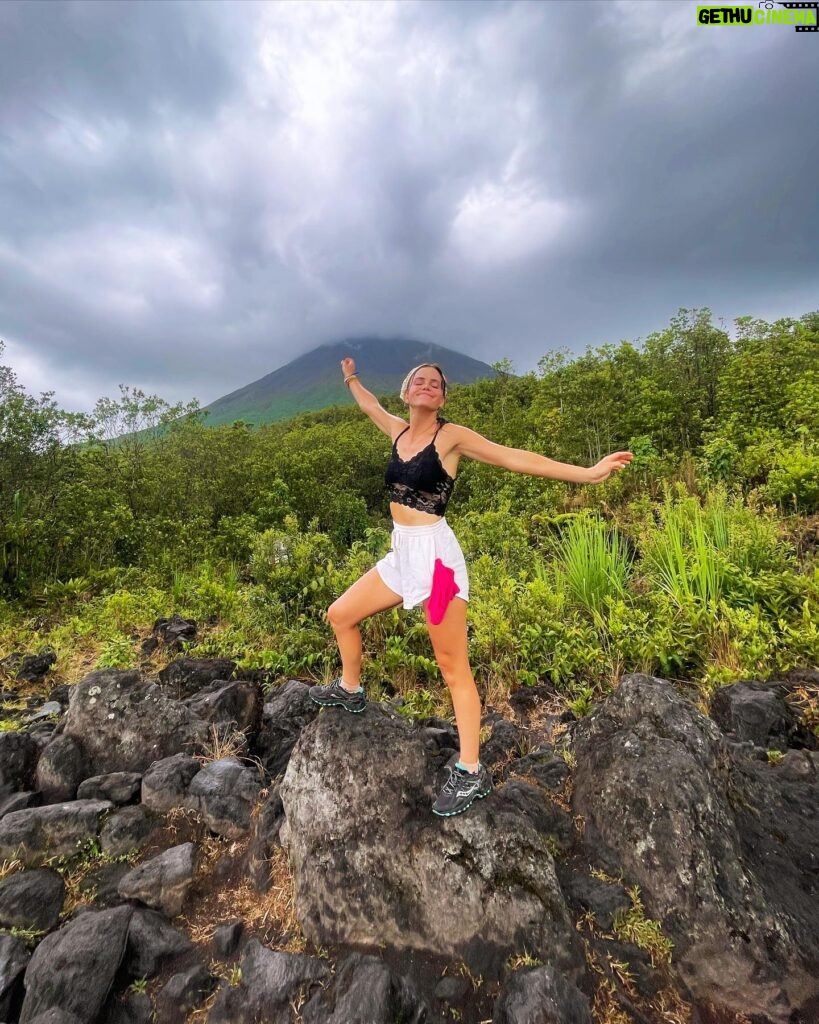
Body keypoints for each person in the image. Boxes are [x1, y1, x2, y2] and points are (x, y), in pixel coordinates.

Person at [309, 358, 633, 817]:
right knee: (340, 615)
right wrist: (350, 377)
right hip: (403, 556)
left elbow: (512, 457)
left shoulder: (452, 437)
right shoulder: (399, 431)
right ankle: (350, 689)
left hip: (438, 564)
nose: (425, 386)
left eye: (434, 384)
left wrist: (589, 472)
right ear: (406, 393)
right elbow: (367, 406)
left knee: (451, 664)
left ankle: (470, 769)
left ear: (442, 398)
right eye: (417, 380)